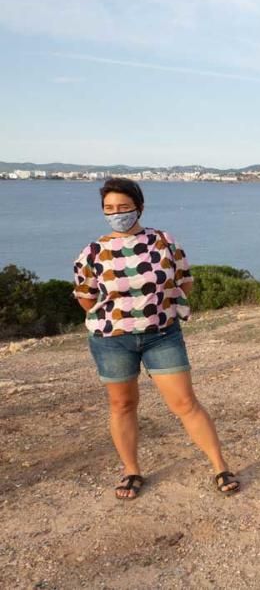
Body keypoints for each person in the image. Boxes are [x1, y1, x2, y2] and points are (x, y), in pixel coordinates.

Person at [72, 178, 239, 499]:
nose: (116, 214)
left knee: (185, 403)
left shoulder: (162, 241)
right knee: (122, 405)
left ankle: (220, 466)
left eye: (123, 207)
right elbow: (86, 299)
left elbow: (183, 281)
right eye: (109, 209)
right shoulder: (92, 252)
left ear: (139, 207)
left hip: (162, 334)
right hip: (112, 340)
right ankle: (131, 471)